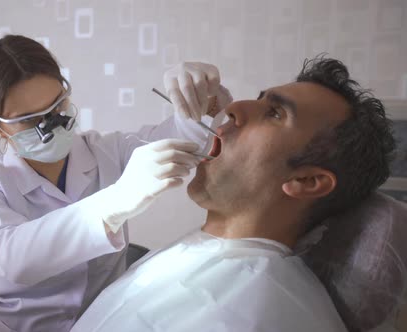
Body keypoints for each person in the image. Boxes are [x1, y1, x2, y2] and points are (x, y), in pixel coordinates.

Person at [71, 56, 396, 332]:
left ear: (308, 180)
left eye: (275, 113)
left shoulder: (250, 314)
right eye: (258, 99)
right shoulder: (210, 252)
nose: (234, 107)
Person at [0, 34, 233, 332]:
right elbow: (12, 258)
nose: (51, 124)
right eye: (28, 119)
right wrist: (113, 203)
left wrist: (201, 102)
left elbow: (185, 139)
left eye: (56, 107)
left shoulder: (108, 151)